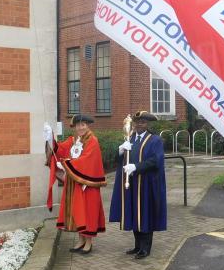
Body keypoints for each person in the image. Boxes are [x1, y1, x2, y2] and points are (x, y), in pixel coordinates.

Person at [44, 115, 107, 255]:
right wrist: (50, 138)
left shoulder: (92, 141)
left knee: (87, 211)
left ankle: (89, 242)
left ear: (88, 125)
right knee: (77, 211)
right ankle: (81, 240)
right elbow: (60, 150)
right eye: (78, 125)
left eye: (83, 124)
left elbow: (87, 160)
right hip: (74, 182)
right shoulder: (74, 140)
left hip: (87, 184)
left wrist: (66, 164)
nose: (80, 127)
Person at [109, 110, 167, 259]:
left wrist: (136, 167)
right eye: (136, 122)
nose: (139, 125)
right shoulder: (130, 138)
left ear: (147, 124)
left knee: (145, 213)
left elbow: (156, 161)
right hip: (133, 184)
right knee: (135, 213)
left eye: (142, 122)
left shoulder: (155, 140)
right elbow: (120, 160)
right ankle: (137, 246)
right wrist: (121, 151)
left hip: (147, 184)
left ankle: (145, 248)